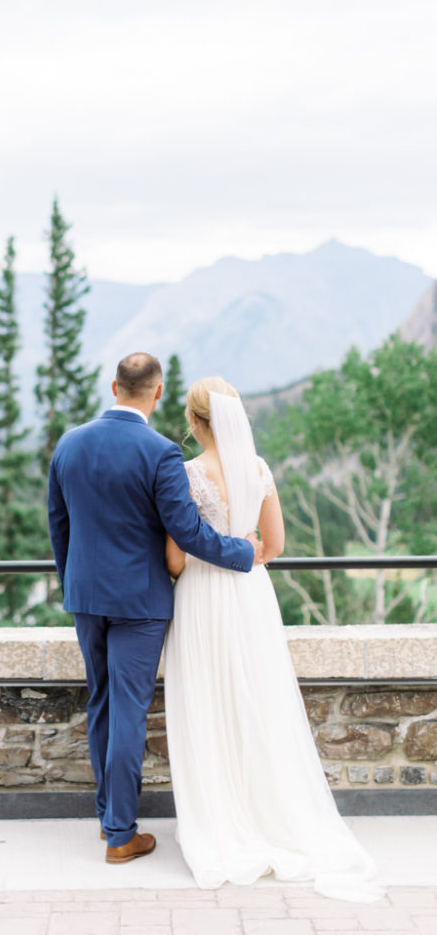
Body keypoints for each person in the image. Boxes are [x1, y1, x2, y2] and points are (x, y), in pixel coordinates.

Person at [164, 376, 382, 901]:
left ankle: (222, 818)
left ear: (195, 423)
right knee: (260, 701)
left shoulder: (189, 475)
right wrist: (246, 548)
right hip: (251, 594)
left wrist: (198, 561)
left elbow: (173, 558)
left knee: (210, 705)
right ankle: (272, 813)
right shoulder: (260, 470)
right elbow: (276, 544)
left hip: (201, 596)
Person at [48, 353, 262, 864]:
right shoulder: (161, 452)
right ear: (158, 392)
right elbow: (186, 532)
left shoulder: (69, 442)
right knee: (127, 709)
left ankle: (109, 819)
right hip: (140, 602)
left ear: (114, 386)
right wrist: (243, 554)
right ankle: (121, 834)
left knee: (100, 701)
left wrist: (72, 583)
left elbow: (59, 526)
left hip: (86, 596)